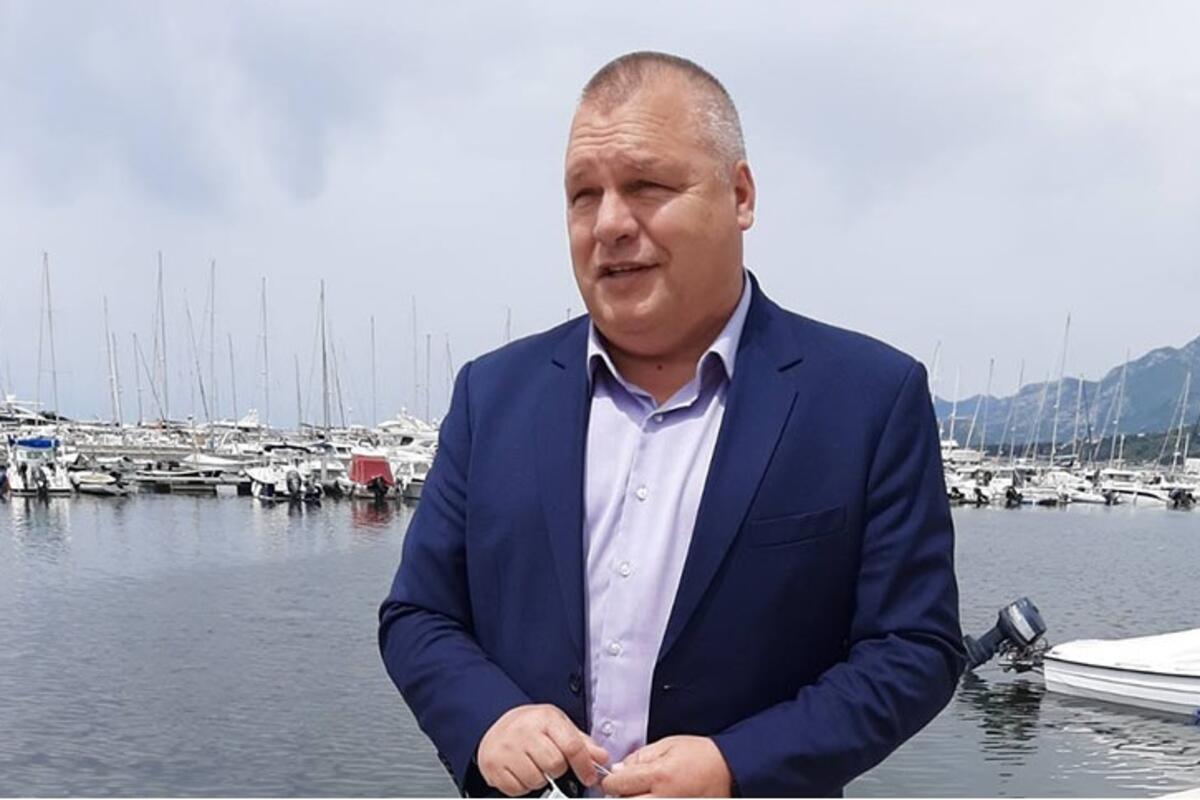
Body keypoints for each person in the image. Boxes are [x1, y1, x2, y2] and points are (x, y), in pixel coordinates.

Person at [379, 51, 964, 798]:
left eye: (646, 186)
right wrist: (488, 719)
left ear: (740, 195)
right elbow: (418, 613)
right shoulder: (490, 396)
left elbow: (913, 648)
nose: (609, 224)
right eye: (583, 195)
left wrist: (736, 766)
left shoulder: (869, 399)